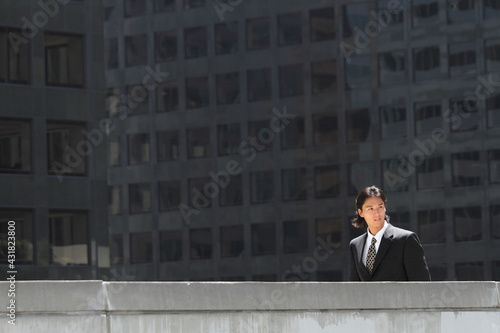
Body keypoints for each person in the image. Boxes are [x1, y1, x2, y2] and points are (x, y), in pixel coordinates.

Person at [348, 185, 431, 281]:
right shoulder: (355, 245)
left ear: (385, 208)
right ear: (361, 212)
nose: (377, 213)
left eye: (380, 207)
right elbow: (354, 287)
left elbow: (422, 284)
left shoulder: (406, 240)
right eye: (370, 209)